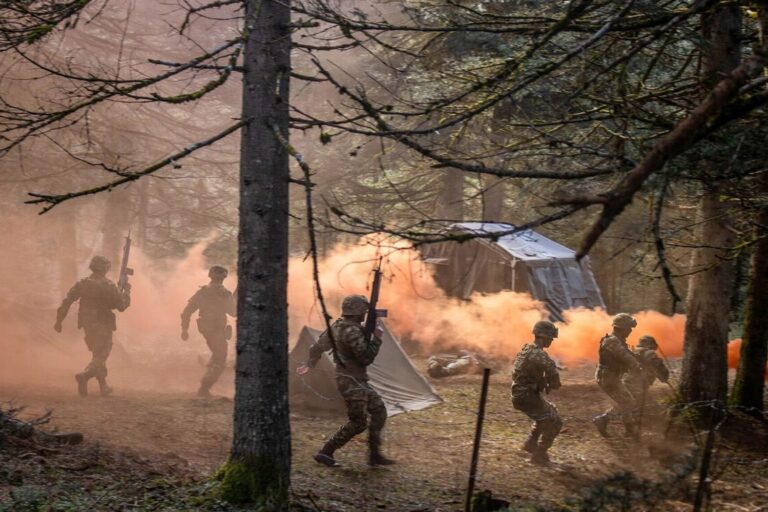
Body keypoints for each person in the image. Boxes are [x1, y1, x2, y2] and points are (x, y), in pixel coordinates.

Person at [297, 294, 394, 467]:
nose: (365, 314)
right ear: (358, 312)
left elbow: (316, 347)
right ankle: (326, 451)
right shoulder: (353, 331)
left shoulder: (337, 327)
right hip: (351, 381)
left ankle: (374, 455)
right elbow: (365, 358)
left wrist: (310, 364)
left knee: (379, 411)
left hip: (352, 379)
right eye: (364, 311)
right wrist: (377, 337)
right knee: (359, 422)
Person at [54, 255, 131, 397]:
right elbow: (121, 306)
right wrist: (127, 291)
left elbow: (67, 301)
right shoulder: (108, 285)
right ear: (104, 268)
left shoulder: (83, 283)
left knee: (97, 354)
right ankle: (85, 376)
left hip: (87, 324)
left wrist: (59, 320)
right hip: (103, 324)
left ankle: (103, 386)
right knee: (102, 355)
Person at [511, 320, 563, 465]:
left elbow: (522, 373)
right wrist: (550, 382)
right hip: (528, 397)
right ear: (543, 336)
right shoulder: (540, 355)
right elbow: (555, 379)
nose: (552, 340)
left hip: (519, 394)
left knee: (549, 412)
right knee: (556, 422)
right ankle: (539, 455)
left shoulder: (526, 349)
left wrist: (540, 381)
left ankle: (531, 444)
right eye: (550, 337)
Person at [180, 265, 236, 397]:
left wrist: (184, 329)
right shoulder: (225, 294)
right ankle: (204, 388)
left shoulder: (202, 293)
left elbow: (186, 312)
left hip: (206, 330)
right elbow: (233, 313)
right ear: (223, 277)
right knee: (220, 360)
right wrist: (235, 301)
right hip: (217, 330)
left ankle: (209, 366)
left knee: (217, 354)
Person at [593, 313, 641, 438]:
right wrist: (636, 365)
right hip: (608, 377)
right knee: (628, 402)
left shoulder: (616, 341)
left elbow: (627, 354)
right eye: (629, 328)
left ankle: (629, 429)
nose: (630, 330)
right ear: (622, 328)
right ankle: (603, 419)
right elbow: (624, 356)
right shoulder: (612, 341)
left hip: (610, 376)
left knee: (625, 400)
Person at [623, 335, 670, 403]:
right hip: (638, 387)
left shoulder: (632, 351)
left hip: (627, 383)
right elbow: (659, 368)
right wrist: (664, 377)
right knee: (654, 409)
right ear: (650, 344)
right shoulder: (649, 353)